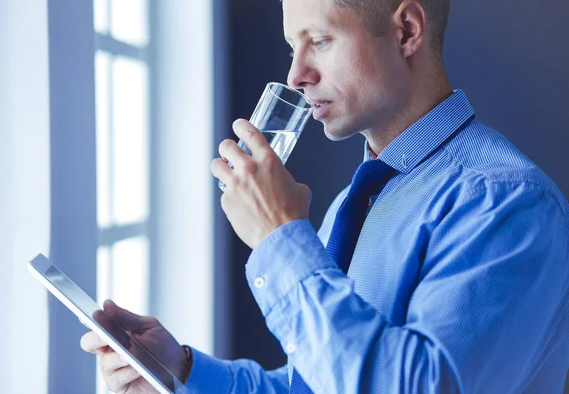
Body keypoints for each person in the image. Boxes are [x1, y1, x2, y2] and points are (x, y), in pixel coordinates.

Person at [81, 0, 569, 392]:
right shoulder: (356, 202)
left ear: (406, 31)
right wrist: (182, 371)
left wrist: (279, 236)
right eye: (293, 45)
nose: (296, 75)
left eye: (320, 40)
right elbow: (315, 384)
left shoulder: (508, 204)